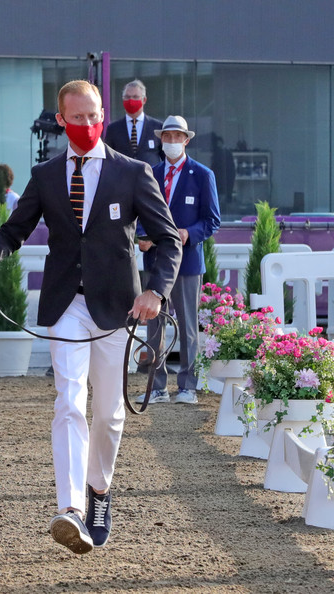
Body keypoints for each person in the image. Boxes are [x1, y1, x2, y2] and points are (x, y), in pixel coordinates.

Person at [0, 80, 181, 553]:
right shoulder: (46, 175)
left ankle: (99, 490)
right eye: (76, 117)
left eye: (93, 115)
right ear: (61, 120)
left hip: (118, 308)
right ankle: (71, 507)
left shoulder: (134, 173)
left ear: (103, 113)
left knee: (109, 413)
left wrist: (156, 292)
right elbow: (12, 233)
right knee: (70, 400)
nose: (87, 124)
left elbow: (168, 240)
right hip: (65, 305)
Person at [137, 116, 221, 405]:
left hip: (187, 263)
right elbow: (138, 213)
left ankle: (188, 386)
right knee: (154, 325)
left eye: (177, 136)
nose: (172, 141)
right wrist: (141, 235)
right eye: (167, 136)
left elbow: (212, 220)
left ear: (187, 140)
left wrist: (188, 233)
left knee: (187, 326)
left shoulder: (202, 174)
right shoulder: (150, 173)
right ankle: (156, 386)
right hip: (155, 260)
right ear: (161, 140)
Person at [104, 79, 164, 166]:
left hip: (149, 177)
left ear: (144, 100)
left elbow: (165, 157)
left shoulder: (158, 127)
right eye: (127, 97)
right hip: (122, 177)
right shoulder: (113, 129)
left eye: (135, 97)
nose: (131, 100)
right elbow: (108, 158)